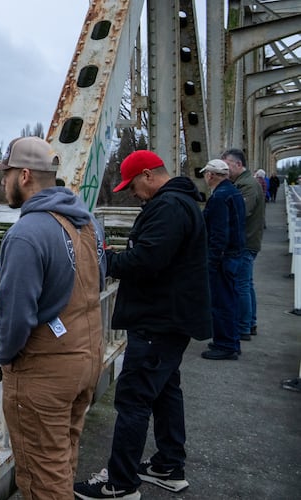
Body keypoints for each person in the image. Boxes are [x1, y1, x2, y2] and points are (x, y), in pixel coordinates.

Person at [74, 150, 212, 499]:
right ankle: (168, 465)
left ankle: (119, 484)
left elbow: (148, 261)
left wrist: (107, 260)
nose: (133, 193)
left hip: (157, 321)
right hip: (172, 318)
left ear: (149, 175)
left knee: (133, 400)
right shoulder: (181, 203)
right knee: (166, 391)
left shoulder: (167, 207)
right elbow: (159, 255)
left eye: (133, 185)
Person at [0, 136, 107, 499]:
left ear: (24, 176)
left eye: (4, 175)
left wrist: (4, 356)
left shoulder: (26, 233)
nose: (1, 183)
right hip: (86, 358)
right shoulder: (87, 224)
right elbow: (99, 280)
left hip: (45, 374)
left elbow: (16, 316)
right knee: (62, 458)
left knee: (41, 477)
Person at [199, 159, 246, 361]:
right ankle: (231, 341)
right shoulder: (233, 192)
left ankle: (225, 344)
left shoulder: (219, 197)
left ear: (211, 175)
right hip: (234, 255)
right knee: (230, 299)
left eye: (205, 174)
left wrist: (212, 261)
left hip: (223, 258)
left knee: (221, 301)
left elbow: (219, 234)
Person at [221, 148, 265, 340]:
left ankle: (242, 327)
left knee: (241, 285)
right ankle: (250, 322)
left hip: (245, 242)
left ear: (238, 164)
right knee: (246, 284)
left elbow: (239, 213)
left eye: (227, 164)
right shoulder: (245, 183)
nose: (225, 168)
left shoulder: (247, 185)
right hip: (249, 240)